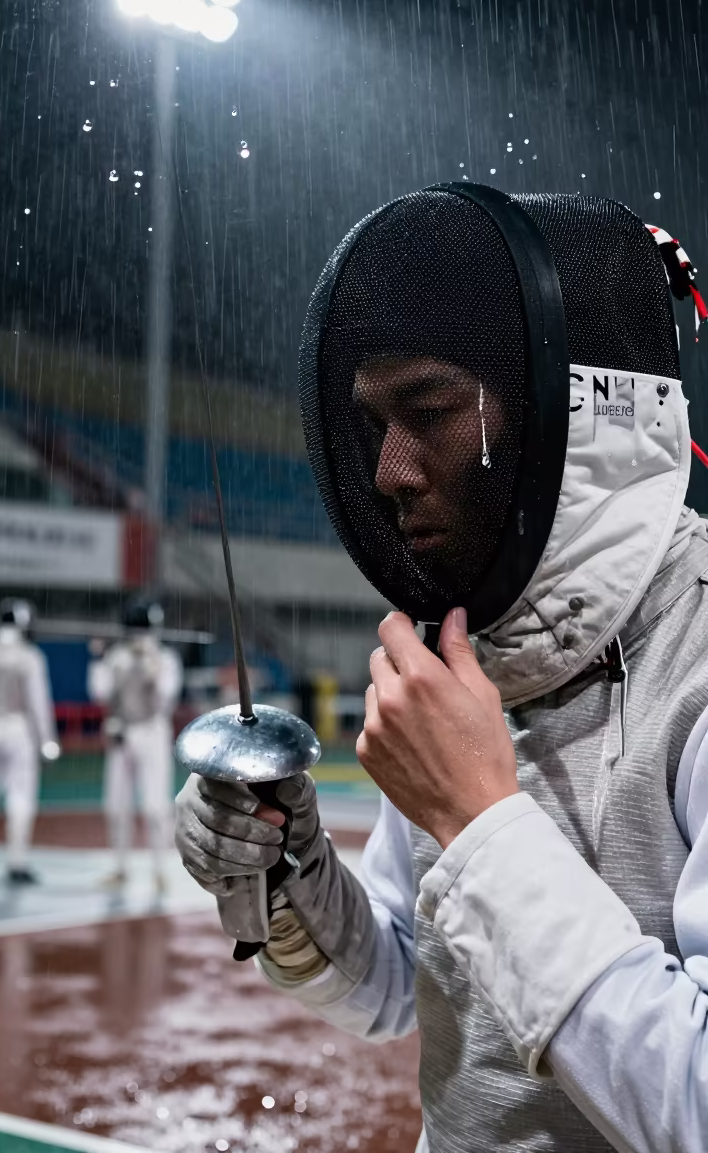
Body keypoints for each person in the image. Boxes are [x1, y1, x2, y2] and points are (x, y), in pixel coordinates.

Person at [176, 187, 708, 1152]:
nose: (387, 470)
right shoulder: (467, 649)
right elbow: (398, 981)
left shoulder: (700, 650)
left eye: (429, 409)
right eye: (374, 421)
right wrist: (287, 867)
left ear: (572, 409)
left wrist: (478, 821)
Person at [89, 598, 182, 894]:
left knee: (155, 807)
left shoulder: (165, 658)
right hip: (122, 734)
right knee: (115, 806)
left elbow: (165, 698)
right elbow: (99, 693)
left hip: (152, 734)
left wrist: (149, 668)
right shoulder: (117, 656)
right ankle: (120, 868)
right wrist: (99, 658)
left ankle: (159, 871)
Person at [0, 598, 60, 885]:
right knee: (20, 797)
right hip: (18, 730)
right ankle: (17, 862)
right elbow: (37, 704)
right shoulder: (29, 656)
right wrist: (47, 741)